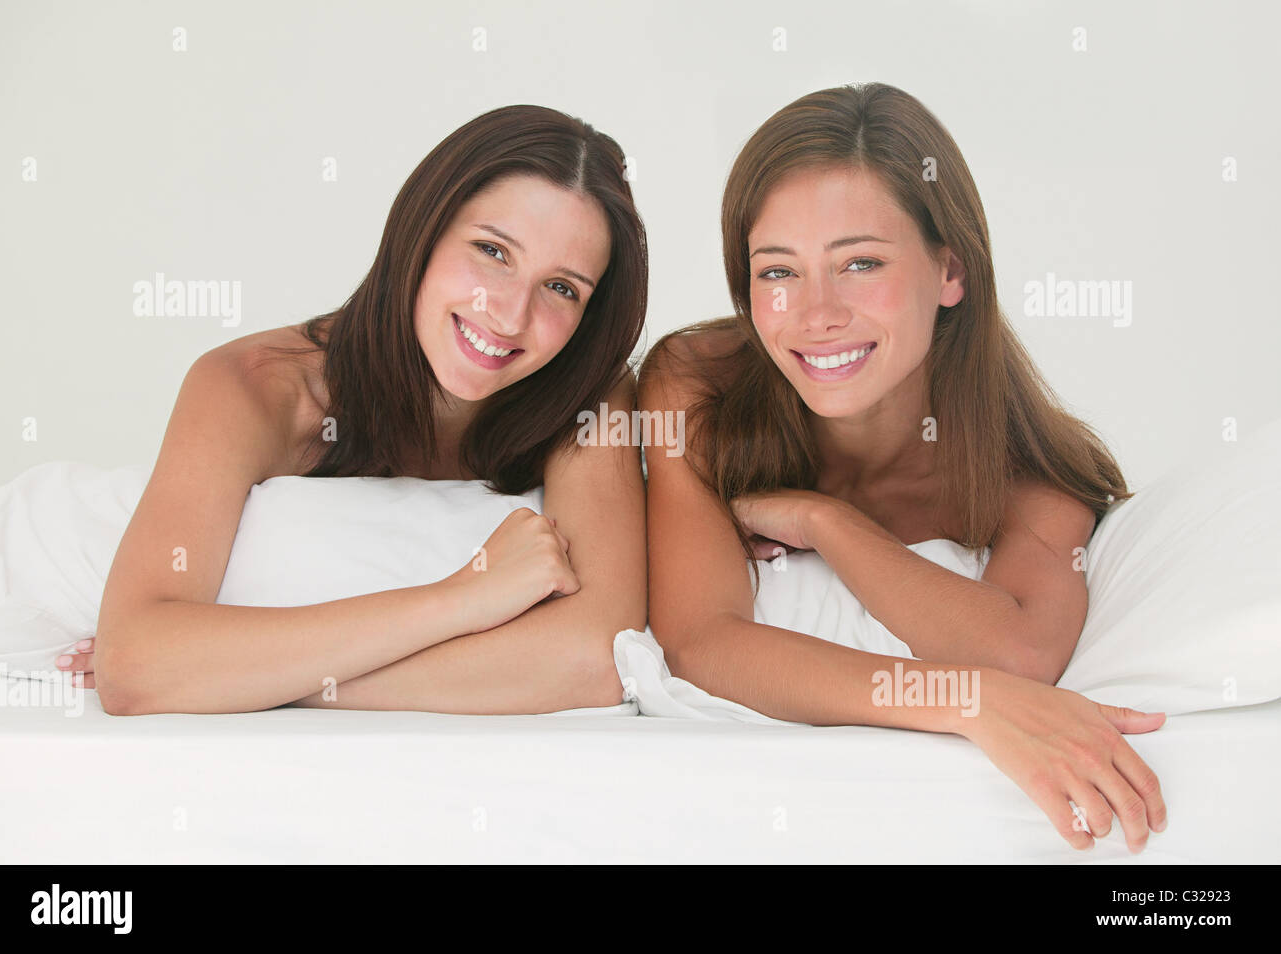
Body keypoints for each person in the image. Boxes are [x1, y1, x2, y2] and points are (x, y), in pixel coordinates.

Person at [638, 83, 1167, 853]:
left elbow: (1018, 653)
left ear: (950, 271)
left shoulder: (1033, 462)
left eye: (859, 263)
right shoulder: (696, 383)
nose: (816, 313)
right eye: (778, 272)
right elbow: (701, 643)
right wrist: (964, 701)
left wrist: (828, 522)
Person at [76, 105, 649, 716]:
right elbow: (135, 666)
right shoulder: (251, 386)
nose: (508, 316)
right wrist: (461, 598)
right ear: (422, 230)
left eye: (562, 288)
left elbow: (595, 660)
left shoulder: (589, 397)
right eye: (492, 251)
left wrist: (254, 677)